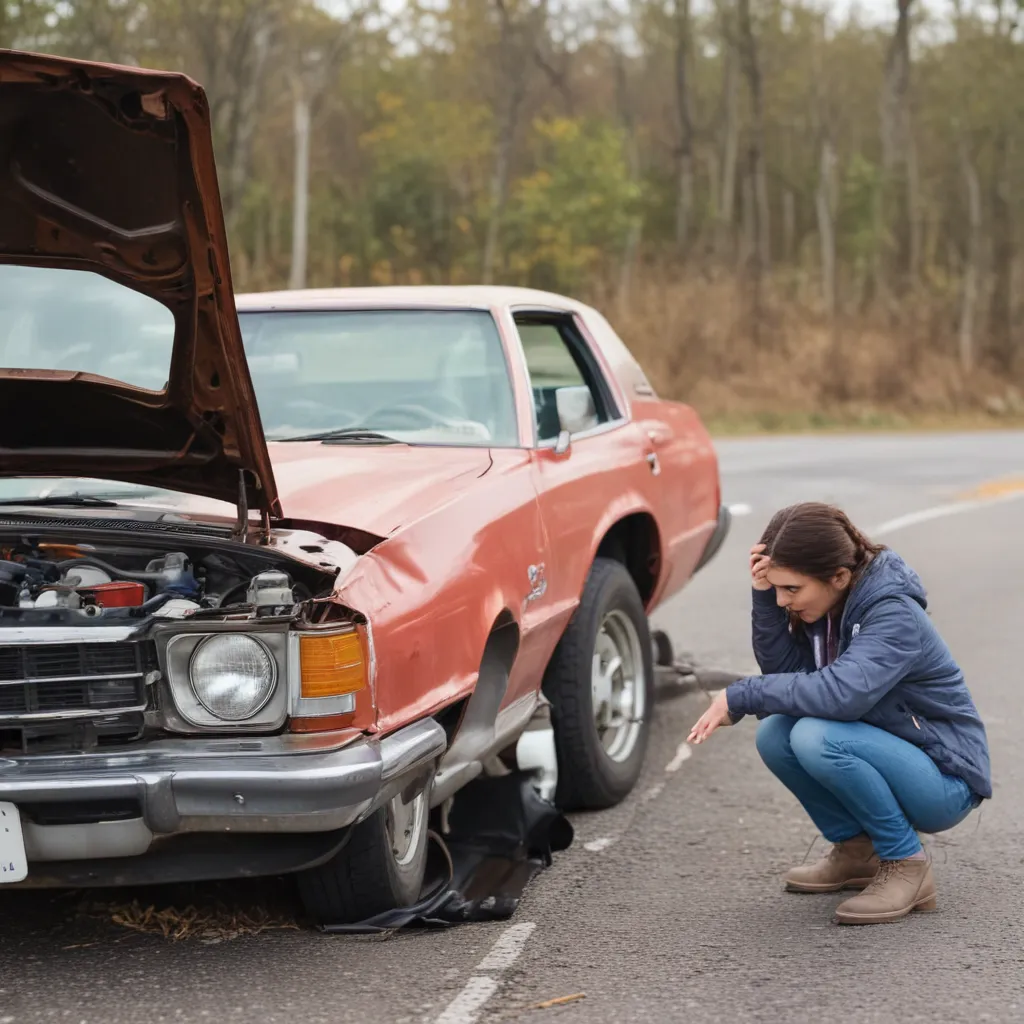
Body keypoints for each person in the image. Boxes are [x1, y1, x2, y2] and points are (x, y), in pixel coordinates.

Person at [687, 502, 991, 925]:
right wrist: (764, 601)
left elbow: (840, 697)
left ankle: (906, 863)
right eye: (776, 588)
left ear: (840, 576)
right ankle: (857, 850)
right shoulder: (829, 606)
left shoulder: (892, 613)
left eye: (791, 590)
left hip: (944, 777)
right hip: (895, 752)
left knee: (816, 736)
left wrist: (741, 695)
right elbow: (789, 680)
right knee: (776, 732)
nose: (784, 601)